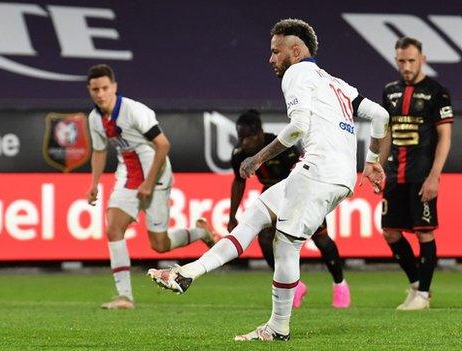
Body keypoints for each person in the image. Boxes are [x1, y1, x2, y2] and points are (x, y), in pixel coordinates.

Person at [148, 18, 389, 341]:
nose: (271, 59)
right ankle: (186, 272)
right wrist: (371, 161)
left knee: (286, 247)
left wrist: (258, 157)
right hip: (337, 174)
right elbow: (381, 116)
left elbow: (298, 126)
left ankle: (278, 328)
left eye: (276, 52)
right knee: (253, 218)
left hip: (318, 171)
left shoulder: (296, 73)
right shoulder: (336, 83)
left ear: (296, 50)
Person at [85, 64, 218, 310]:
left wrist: (149, 182)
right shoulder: (94, 119)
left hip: (156, 175)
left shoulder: (134, 111)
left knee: (159, 245)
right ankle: (124, 296)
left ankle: (200, 232)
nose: (100, 93)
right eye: (95, 89)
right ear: (90, 90)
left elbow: (163, 144)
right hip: (128, 175)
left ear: (114, 87)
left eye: (105, 88)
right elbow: (99, 150)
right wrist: (93, 184)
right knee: (113, 228)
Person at [228, 109, 350, 309]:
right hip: (272, 196)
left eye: (247, 138)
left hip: (302, 191)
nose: (243, 143)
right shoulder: (239, 154)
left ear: (259, 134)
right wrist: (232, 215)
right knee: (265, 240)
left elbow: (303, 173)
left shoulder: (284, 148)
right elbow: (238, 182)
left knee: (321, 239)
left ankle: (340, 285)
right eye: (240, 137)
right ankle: (295, 286)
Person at [379, 37, 453, 311]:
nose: (406, 66)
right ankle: (415, 284)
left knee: (424, 233)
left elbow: (445, 136)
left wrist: (435, 175)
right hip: (394, 174)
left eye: (411, 60)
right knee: (390, 232)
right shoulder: (389, 91)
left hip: (421, 175)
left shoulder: (437, 91)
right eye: (401, 61)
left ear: (422, 58)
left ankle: (423, 293)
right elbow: (386, 133)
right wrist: (378, 164)